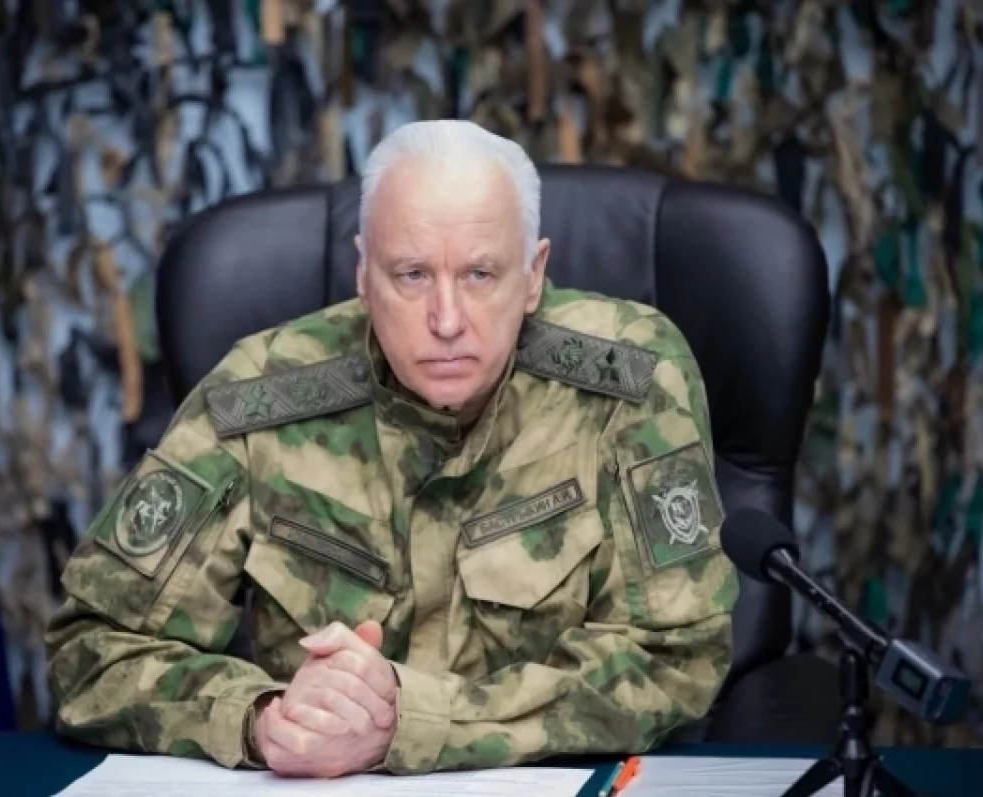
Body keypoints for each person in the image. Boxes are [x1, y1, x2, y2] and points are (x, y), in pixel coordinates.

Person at [44, 119, 739, 778]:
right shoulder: (260, 395)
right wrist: (260, 719)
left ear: (533, 275)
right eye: (411, 274)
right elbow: (91, 651)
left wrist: (411, 722)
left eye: (480, 274)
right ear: (362, 273)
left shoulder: (628, 381)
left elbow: (676, 659)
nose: (446, 320)